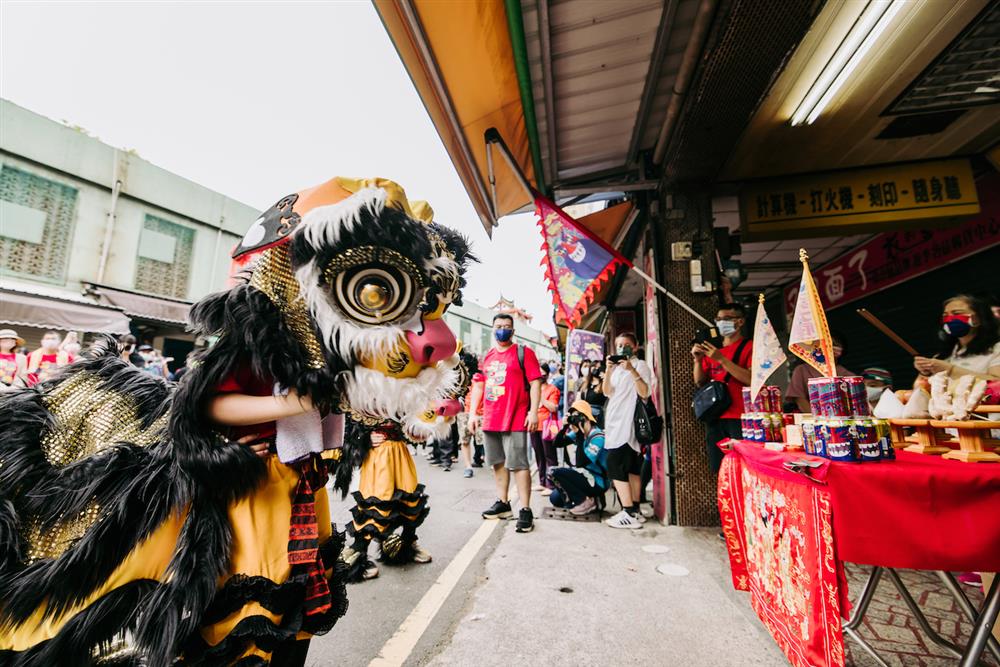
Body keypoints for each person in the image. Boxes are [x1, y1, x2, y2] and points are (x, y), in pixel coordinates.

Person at [469, 313, 543, 534]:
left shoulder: (524, 353)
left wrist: (533, 412)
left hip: (516, 417)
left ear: (513, 330)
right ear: (493, 329)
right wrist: (472, 414)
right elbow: (479, 386)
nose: (503, 329)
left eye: (507, 326)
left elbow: (535, 383)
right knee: (497, 462)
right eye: (499, 326)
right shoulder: (487, 356)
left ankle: (526, 510)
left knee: (519, 464)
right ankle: (503, 503)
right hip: (491, 418)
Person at [692, 303, 752, 476]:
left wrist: (722, 360)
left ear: (740, 322)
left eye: (726, 319)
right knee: (720, 470)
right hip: (715, 416)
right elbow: (699, 381)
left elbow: (751, 379)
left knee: (742, 468)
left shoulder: (749, 346)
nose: (720, 323)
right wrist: (697, 360)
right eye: (718, 319)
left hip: (740, 417)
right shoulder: (712, 348)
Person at [602, 332, 652, 529]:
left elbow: (645, 392)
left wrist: (631, 370)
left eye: (627, 344)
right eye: (619, 345)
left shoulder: (640, 365)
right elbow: (607, 391)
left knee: (614, 463)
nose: (622, 348)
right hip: (614, 422)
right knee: (631, 468)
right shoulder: (616, 369)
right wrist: (608, 369)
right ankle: (636, 510)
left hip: (628, 423)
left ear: (636, 346)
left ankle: (628, 512)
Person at [914, 294, 1000, 381]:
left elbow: (997, 382)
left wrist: (950, 370)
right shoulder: (941, 356)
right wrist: (925, 373)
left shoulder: (996, 349)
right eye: (945, 316)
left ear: (978, 318)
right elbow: (919, 387)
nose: (949, 319)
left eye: (957, 313)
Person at [548, 400, 608, 516]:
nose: (574, 420)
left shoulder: (598, 437)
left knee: (555, 472)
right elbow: (557, 443)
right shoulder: (579, 433)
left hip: (597, 481)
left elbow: (581, 462)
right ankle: (595, 499)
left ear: (586, 418)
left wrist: (579, 436)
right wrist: (565, 427)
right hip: (585, 476)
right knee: (555, 499)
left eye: (577, 416)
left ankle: (585, 502)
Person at [785, 333, 855, 413]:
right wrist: (817, 417)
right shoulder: (801, 370)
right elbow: (800, 400)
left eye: (834, 345)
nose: (829, 347)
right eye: (825, 344)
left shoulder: (846, 374)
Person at [530, 362, 561, 492]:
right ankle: (542, 482)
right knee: (539, 455)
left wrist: (540, 397)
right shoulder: (531, 388)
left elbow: (553, 407)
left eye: (543, 374)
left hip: (547, 426)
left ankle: (552, 484)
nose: (540, 376)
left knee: (549, 455)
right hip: (534, 425)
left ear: (547, 375)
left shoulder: (553, 389)